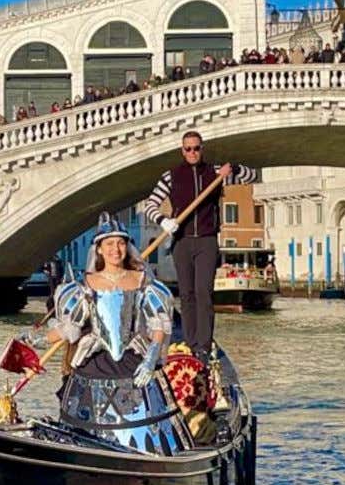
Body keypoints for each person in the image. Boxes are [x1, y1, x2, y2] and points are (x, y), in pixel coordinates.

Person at [20, 213, 189, 454]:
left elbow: (158, 326)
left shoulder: (144, 282)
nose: (115, 249)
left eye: (120, 243)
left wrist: (151, 358)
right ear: (99, 249)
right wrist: (33, 339)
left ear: (127, 247)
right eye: (109, 244)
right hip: (94, 367)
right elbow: (68, 329)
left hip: (134, 365)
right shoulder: (85, 285)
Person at [144, 131, 259, 363]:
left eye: (196, 148)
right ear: (182, 150)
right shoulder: (171, 176)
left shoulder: (215, 173)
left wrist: (233, 169)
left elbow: (253, 176)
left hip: (207, 240)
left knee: (204, 292)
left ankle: (203, 346)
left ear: (201, 149)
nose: (192, 152)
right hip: (182, 240)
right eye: (188, 149)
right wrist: (163, 220)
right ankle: (190, 342)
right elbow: (150, 204)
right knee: (186, 294)